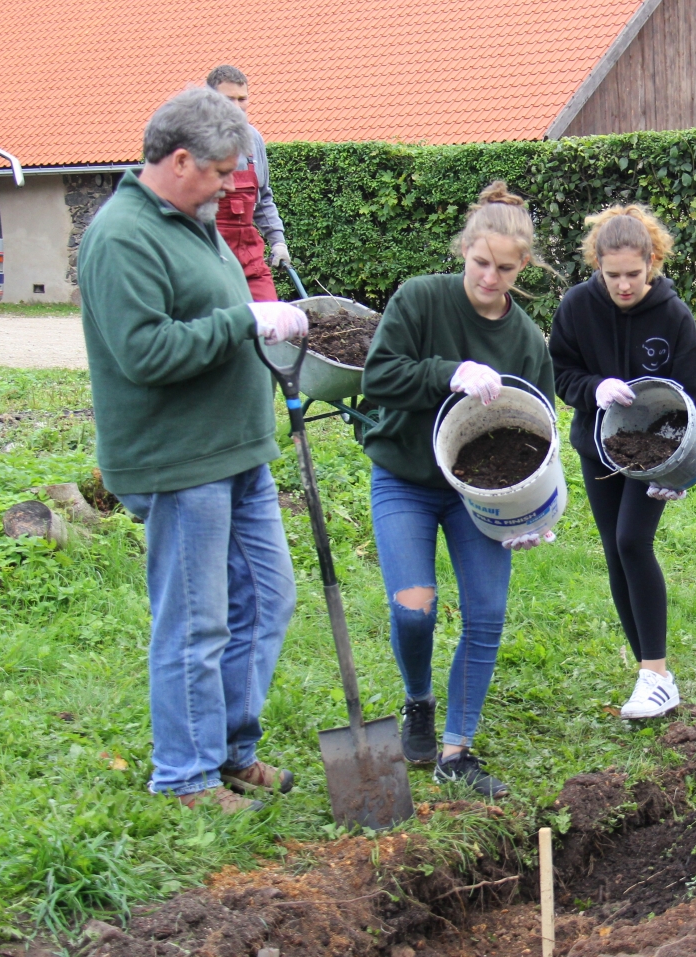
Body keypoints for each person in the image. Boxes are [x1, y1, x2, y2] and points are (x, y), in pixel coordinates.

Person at [77, 86, 310, 812]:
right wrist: (244, 321)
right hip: (179, 462)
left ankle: (232, 751)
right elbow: (144, 352)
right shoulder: (122, 236)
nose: (227, 186)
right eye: (217, 172)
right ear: (179, 160)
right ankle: (185, 776)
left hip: (236, 450)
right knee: (195, 620)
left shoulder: (189, 218)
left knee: (268, 600)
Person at [359, 181, 556, 798]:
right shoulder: (421, 300)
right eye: (480, 263)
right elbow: (379, 375)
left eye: (504, 268)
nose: (489, 278)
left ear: (521, 266)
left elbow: (540, 433)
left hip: (481, 497)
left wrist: (533, 509)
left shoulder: (525, 339)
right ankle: (418, 698)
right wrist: (451, 374)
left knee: (487, 615)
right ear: (463, 250)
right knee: (411, 610)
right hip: (407, 478)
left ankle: (455, 751)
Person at [549, 205, 696, 719]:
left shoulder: (673, 317)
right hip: (600, 446)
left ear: (653, 262)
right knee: (615, 552)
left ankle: (656, 674)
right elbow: (562, 373)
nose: (622, 286)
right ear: (597, 263)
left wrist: (679, 469)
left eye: (633, 276)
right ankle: (650, 673)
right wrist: (595, 387)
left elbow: (694, 402)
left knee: (631, 540)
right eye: (611, 275)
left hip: (658, 451)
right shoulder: (576, 307)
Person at [207, 65, 292, 302]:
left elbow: (263, 199)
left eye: (242, 99)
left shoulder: (254, 139)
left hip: (248, 252)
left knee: (269, 319)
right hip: (208, 251)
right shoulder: (194, 141)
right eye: (228, 99)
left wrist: (277, 241)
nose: (236, 107)